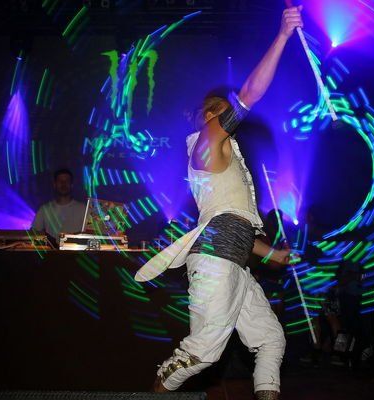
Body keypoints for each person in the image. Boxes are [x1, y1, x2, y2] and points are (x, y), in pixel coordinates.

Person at [134, 6, 304, 399]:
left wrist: (273, 255)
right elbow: (251, 93)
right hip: (216, 262)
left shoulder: (225, 156)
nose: (234, 117)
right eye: (226, 111)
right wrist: (282, 37)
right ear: (211, 116)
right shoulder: (207, 143)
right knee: (203, 352)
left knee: (271, 339)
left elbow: (233, 223)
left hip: (233, 261)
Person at [31, 168, 86, 240]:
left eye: (67, 181)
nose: (63, 184)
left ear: (71, 184)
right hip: (51, 247)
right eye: (60, 181)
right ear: (54, 184)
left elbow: (92, 233)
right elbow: (34, 233)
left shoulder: (83, 209)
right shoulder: (44, 209)